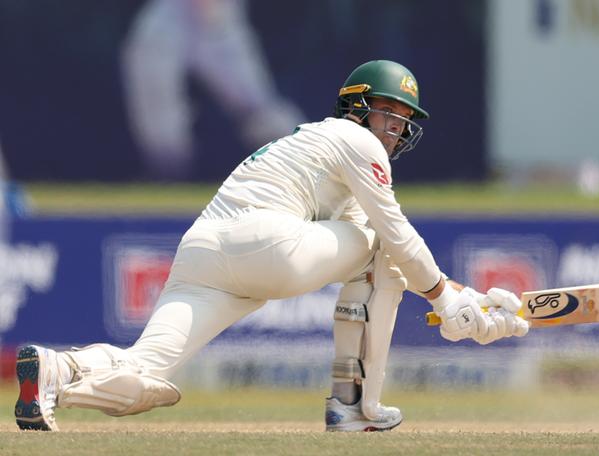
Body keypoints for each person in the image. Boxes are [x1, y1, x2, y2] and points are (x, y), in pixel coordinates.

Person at [14, 60, 529, 433]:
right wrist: (445, 299)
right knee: (380, 242)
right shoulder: (359, 142)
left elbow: (384, 256)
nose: (393, 131)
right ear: (357, 108)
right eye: (386, 114)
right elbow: (392, 236)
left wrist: (466, 299)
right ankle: (353, 406)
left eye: (402, 121)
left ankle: (57, 371)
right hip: (267, 243)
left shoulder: (315, 149)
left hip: (204, 250)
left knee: (145, 369)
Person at [122, 0, 305, 179]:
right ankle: (169, 174)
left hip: (219, 19)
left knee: (258, 107)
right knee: (158, 111)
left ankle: (309, 165)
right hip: (171, 15)